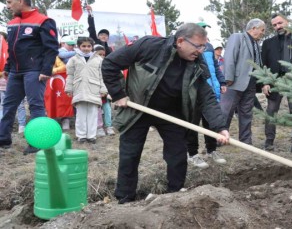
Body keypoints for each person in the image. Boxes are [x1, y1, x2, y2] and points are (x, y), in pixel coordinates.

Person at [101, 23, 230, 203]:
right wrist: (118, 94)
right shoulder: (149, 46)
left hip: (172, 112)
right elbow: (110, 63)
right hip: (138, 108)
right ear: (180, 41)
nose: (201, 51)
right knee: (130, 153)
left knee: (177, 153)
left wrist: (220, 127)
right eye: (198, 46)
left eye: (203, 46)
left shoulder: (197, 64)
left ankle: (174, 195)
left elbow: (207, 97)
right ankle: (125, 197)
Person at [0, 0, 59, 154]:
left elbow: (52, 48)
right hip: (15, 72)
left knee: (35, 106)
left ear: (21, 1)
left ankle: (37, 142)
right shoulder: (11, 24)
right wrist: (7, 67)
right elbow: (12, 48)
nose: (7, 6)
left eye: (9, 2)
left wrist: (46, 70)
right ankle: (3, 139)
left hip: (34, 71)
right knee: (8, 105)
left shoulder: (44, 21)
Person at [261, 13, 292, 153]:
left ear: (287, 21)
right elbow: (263, 65)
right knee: (271, 112)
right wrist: (265, 82)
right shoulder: (268, 43)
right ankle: (269, 142)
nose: (277, 27)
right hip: (275, 81)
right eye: (274, 25)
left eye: (280, 23)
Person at [186, 22, 227, 169]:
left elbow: (215, 67)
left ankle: (212, 150)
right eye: (201, 29)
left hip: (210, 90)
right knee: (192, 124)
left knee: (210, 123)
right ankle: (192, 154)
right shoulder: (192, 48)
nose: (204, 32)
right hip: (194, 93)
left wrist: (221, 82)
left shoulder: (209, 47)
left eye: (205, 30)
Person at [220, 18, 266, 145]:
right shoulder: (238, 37)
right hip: (234, 82)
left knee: (246, 113)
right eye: (262, 30)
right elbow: (229, 57)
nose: (263, 33)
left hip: (250, 84)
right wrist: (228, 78)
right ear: (253, 28)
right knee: (226, 111)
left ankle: (245, 140)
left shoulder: (256, 44)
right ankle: (219, 138)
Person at [65, 37, 107, 144]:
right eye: (83, 46)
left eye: (89, 46)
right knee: (81, 114)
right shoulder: (73, 59)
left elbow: (103, 76)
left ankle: (91, 136)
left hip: (94, 89)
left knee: (93, 114)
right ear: (79, 46)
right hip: (79, 89)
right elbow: (70, 75)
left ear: (92, 47)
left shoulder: (99, 60)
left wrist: (103, 88)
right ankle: (81, 135)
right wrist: (69, 88)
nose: (86, 48)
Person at [93, 45, 115, 136]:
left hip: (105, 93)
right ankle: (99, 127)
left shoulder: (106, 65)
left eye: (103, 54)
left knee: (107, 109)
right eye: (99, 54)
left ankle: (109, 126)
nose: (102, 56)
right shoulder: (92, 65)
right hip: (95, 92)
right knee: (97, 111)